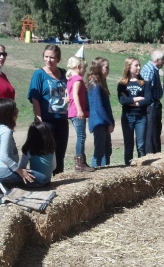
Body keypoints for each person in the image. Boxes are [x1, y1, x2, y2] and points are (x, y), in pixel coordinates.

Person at [27, 44, 68, 175]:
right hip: (46, 122)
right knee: (46, 153)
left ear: (58, 59)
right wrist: (39, 119)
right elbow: (35, 98)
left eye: (52, 57)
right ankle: (43, 180)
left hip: (62, 121)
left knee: (60, 154)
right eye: (46, 57)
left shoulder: (64, 74)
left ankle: (60, 180)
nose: (48, 60)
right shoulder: (39, 74)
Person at [0, 99, 49, 189]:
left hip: (3, 171)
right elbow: (3, 156)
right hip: (5, 172)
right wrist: (20, 171)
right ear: (7, 113)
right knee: (43, 179)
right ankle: (9, 185)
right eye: (14, 109)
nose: (17, 111)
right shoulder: (6, 131)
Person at [118, 57, 151, 166]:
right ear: (129, 67)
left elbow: (148, 99)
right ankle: (128, 168)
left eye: (139, 65)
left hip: (141, 118)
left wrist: (132, 102)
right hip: (128, 117)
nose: (139, 67)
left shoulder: (144, 83)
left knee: (141, 145)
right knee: (128, 145)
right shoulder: (122, 84)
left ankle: (142, 167)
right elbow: (122, 100)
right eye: (136, 65)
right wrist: (137, 98)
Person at [66, 56, 94, 172]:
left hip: (73, 111)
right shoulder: (77, 79)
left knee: (81, 136)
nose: (85, 71)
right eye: (84, 68)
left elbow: (69, 96)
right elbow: (76, 95)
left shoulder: (70, 79)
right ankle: (79, 164)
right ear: (78, 67)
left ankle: (82, 162)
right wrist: (79, 110)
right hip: (77, 112)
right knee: (81, 137)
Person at [87, 57, 115, 167]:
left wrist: (110, 121)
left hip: (103, 121)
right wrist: (108, 122)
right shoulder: (95, 84)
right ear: (99, 68)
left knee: (106, 150)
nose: (108, 70)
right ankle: (97, 172)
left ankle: (105, 170)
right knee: (100, 152)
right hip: (99, 122)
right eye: (106, 67)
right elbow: (99, 107)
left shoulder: (100, 82)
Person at [141, 50, 164, 154]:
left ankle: (155, 152)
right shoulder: (150, 70)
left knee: (155, 131)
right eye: (163, 60)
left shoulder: (152, 69)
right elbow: (146, 88)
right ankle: (151, 154)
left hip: (153, 103)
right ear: (157, 60)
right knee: (152, 132)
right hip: (151, 105)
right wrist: (150, 101)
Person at [19, 121, 57, 185]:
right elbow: (54, 167)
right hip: (47, 182)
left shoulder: (29, 150)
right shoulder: (51, 149)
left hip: (35, 182)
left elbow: (22, 167)